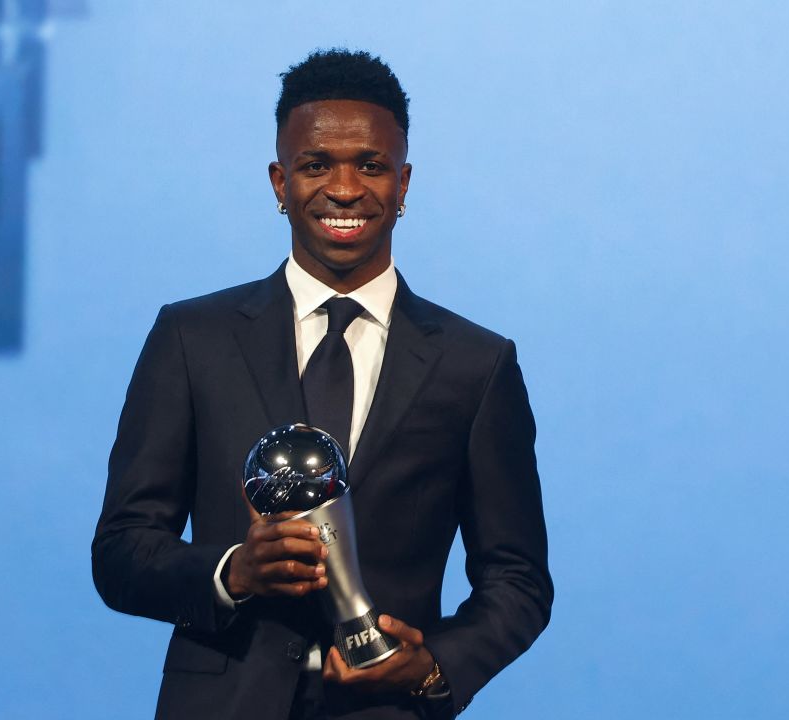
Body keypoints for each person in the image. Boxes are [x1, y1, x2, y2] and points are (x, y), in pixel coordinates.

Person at [92, 49, 552, 720]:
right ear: (280, 183)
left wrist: (433, 668)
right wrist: (232, 573)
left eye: (370, 165)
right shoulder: (194, 338)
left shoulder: (475, 366)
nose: (343, 189)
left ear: (403, 183)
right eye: (315, 165)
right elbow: (123, 549)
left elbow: (517, 580)